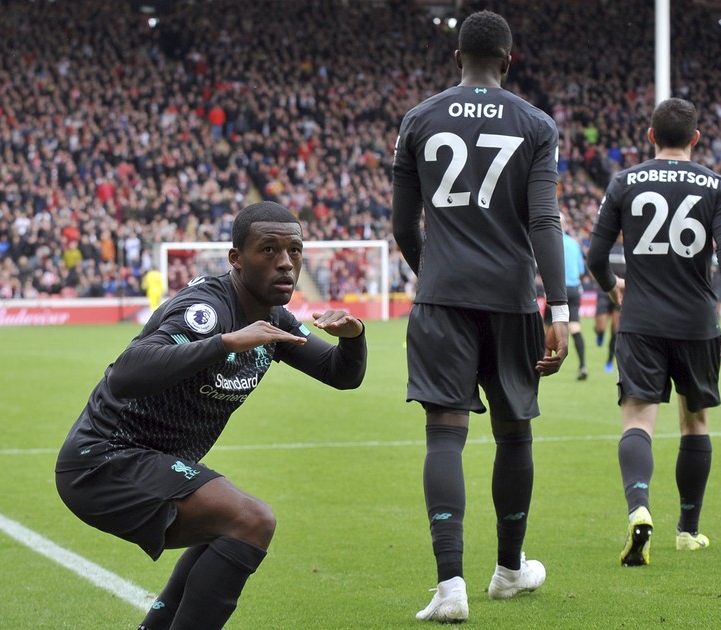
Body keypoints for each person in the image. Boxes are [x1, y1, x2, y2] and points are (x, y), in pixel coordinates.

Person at [55, 201, 367, 630]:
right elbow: (126, 372)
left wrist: (353, 337)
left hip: (143, 461)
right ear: (236, 259)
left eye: (294, 251)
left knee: (231, 527)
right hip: (105, 458)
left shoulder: (274, 319)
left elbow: (340, 374)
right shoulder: (207, 311)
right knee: (251, 520)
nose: (285, 264)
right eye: (269, 250)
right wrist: (224, 342)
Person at [391, 10, 569, 623]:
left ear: (457, 57)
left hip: (442, 297)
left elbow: (400, 227)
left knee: (445, 433)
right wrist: (561, 307)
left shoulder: (418, 119)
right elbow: (545, 221)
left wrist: (433, 272)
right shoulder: (535, 124)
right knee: (513, 430)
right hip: (513, 298)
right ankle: (509, 570)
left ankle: (450, 588)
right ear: (509, 60)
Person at [586, 97, 721, 567]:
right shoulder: (716, 185)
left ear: (651, 135)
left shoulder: (624, 181)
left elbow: (596, 257)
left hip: (639, 320)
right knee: (694, 421)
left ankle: (639, 507)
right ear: (695, 139)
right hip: (697, 323)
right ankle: (688, 531)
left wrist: (613, 286)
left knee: (638, 421)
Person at [545, 213, 588, 379]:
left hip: (556, 290)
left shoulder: (549, 242)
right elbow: (581, 270)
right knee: (575, 326)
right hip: (574, 289)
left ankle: (540, 360)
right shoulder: (574, 244)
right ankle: (583, 365)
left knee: (547, 326)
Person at [593, 238, 625, 373]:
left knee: (616, 329)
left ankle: (609, 361)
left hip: (621, 290)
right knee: (601, 327)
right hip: (604, 289)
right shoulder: (608, 245)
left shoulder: (629, 246)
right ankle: (599, 334)